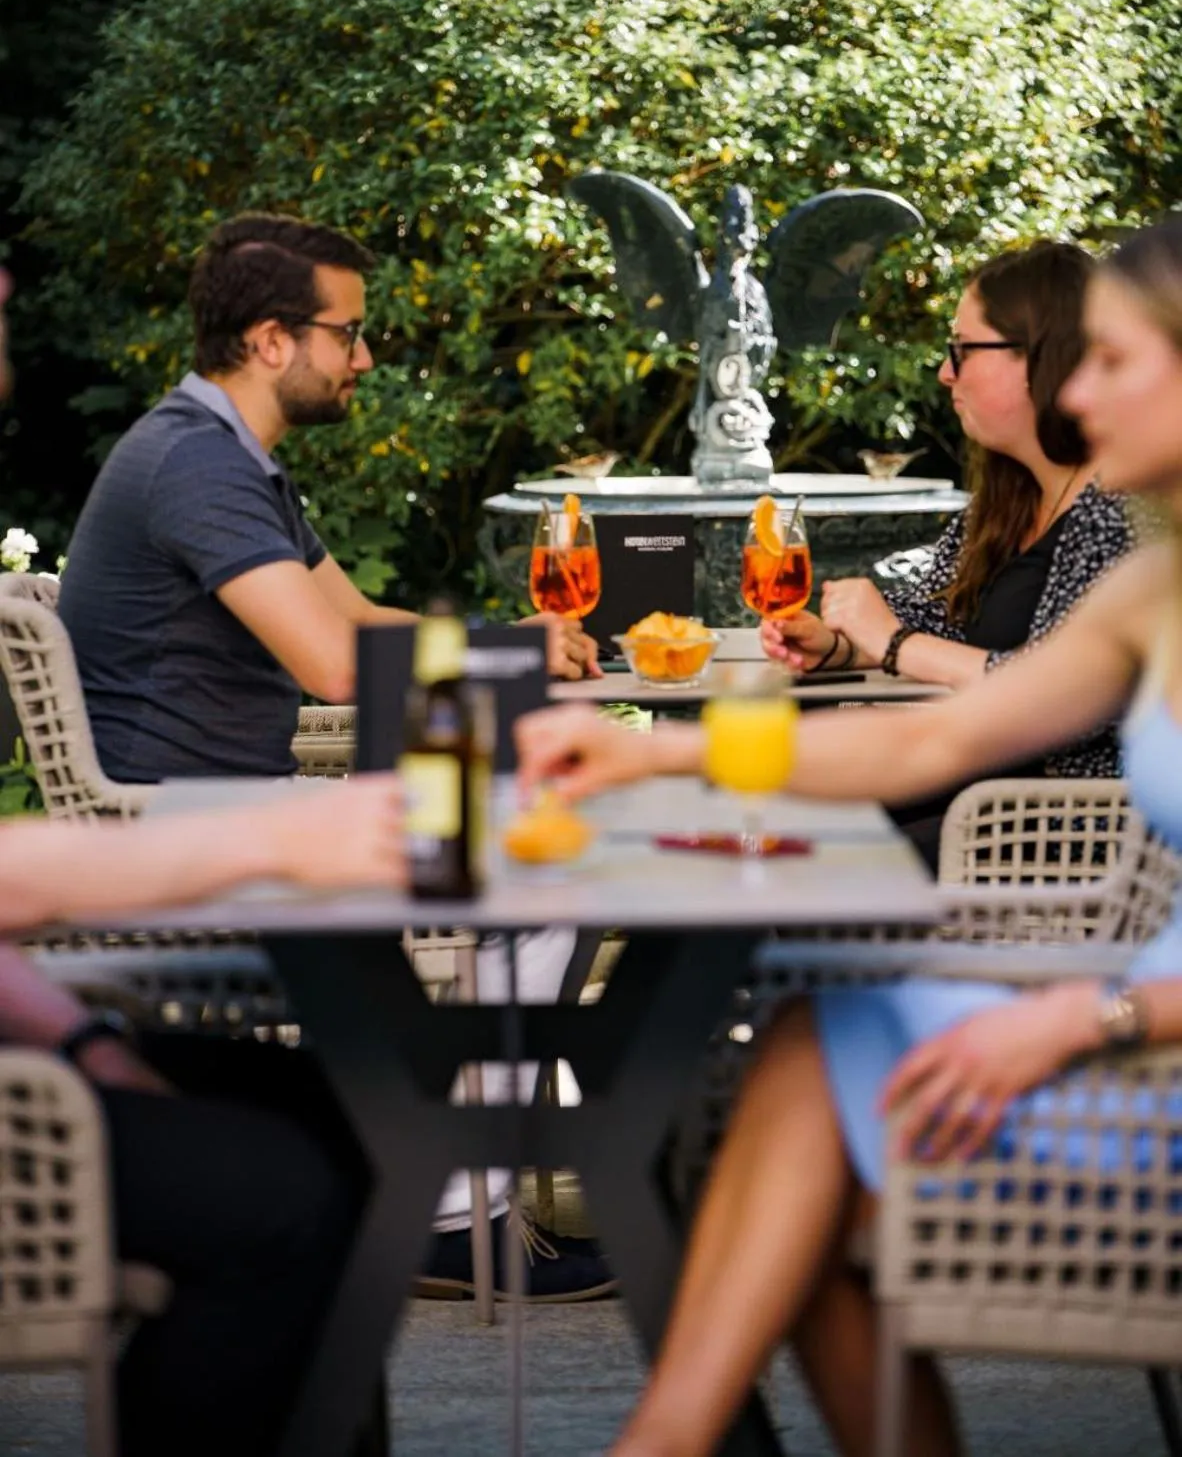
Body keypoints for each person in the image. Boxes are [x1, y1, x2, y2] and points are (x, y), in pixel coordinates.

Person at [516, 216, 1182, 1456]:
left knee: (784, 1082)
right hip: (1085, 975)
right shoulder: (1155, 584)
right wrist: (654, 750)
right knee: (778, 1082)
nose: (1081, 394)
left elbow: (954, 706)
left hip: (1120, 1015)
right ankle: (669, 1436)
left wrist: (1094, 1015)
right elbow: (924, 745)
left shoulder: (1126, 555)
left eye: (1115, 359)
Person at [55, 212, 610, 1300]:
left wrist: (511, 643)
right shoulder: (195, 465)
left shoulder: (230, 456)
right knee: (547, 875)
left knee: (548, 853)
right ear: (272, 340)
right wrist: (498, 655)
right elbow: (335, 666)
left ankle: (451, 1194)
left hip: (231, 805)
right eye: (346, 334)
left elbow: (353, 609)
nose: (362, 358)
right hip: (184, 831)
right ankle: (450, 1216)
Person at [764, 241, 1134, 865]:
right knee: (760, 832)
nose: (944, 372)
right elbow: (946, 621)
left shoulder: (1118, 512)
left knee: (793, 862)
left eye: (963, 349)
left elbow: (1059, 702)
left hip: (1059, 835)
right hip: (971, 795)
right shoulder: (1007, 501)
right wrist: (843, 643)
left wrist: (894, 644)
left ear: (1041, 357)